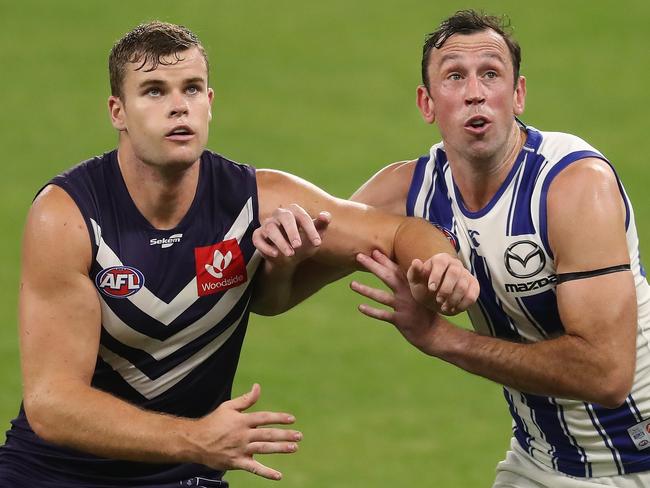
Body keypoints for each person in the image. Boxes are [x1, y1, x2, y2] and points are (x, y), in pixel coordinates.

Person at [0, 21, 479, 488]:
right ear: (117, 111)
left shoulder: (256, 198)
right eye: (153, 91)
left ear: (209, 104)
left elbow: (401, 231)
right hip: (53, 475)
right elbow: (53, 403)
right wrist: (194, 438)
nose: (177, 108)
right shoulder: (69, 216)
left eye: (191, 89)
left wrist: (442, 264)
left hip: (185, 476)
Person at [340, 9, 650, 488]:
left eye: (491, 73)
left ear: (518, 94)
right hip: (539, 463)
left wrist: (443, 338)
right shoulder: (410, 191)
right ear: (427, 103)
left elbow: (607, 375)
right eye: (455, 77)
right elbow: (292, 265)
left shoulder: (572, 186)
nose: (475, 92)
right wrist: (280, 235)